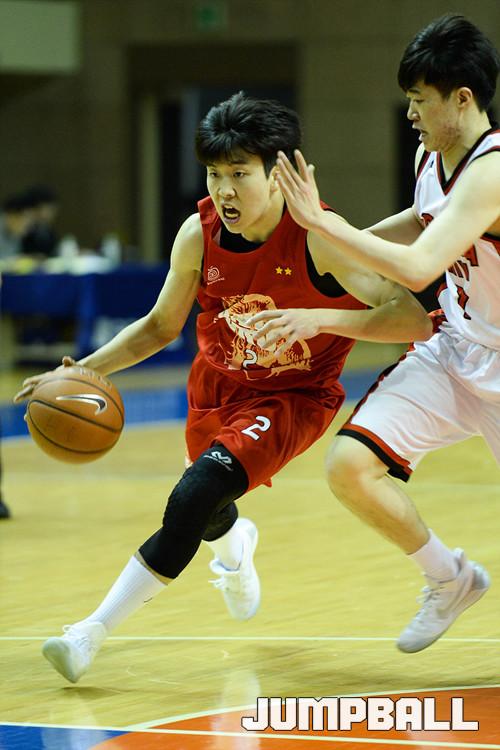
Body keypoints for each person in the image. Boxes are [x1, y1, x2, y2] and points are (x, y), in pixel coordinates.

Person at [14, 92, 431, 683]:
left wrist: (321, 319)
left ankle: (89, 633)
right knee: (209, 509)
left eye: (240, 173)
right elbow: (159, 327)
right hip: (215, 386)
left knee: (193, 496)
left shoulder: (319, 237)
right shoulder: (199, 233)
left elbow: (411, 318)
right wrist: (78, 370)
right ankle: (235, 553)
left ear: (279, 174)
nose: (224, 190)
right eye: (215, 174)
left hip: (290, 397)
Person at [264, 15, 500, 654]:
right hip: (456, 349)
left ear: (462, 98)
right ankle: (449, 579)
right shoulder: (432, 157)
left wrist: (328, 226)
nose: (411, 114)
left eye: (419, 100)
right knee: (350, 466)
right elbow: (421, 223)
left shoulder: (492, 171)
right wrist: (330, 245)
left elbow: (421, 267)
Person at [21, 185, 59, 258]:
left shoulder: (47, 231)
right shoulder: (21, 232)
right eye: (40, 209)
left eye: (51, 209)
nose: (45, 215)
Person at [0, 193, 36, 260]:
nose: (30, 226)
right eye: (28, 219)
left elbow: (10, 257)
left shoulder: (15, 234)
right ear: (13, 216)